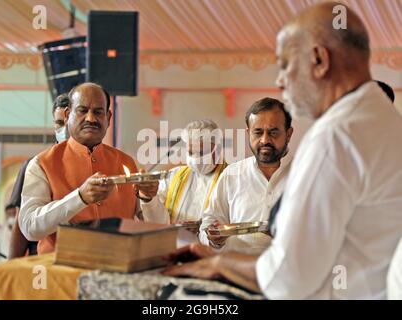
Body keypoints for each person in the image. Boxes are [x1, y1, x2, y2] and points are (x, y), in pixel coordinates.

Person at [164, 2, 402, 300]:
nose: (280, 80)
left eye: (285, 64)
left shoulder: (336, 137)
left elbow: (287, 280)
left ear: (319, 59)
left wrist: (218, 264)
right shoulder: (388, 122)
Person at [18, 82, 157, 254]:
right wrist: (79, 198)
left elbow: (156, 227)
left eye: (98, 112)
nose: (91, 118)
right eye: (82, 110)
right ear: (68, 115)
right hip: (61, 272)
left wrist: (148, 199)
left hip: (118, 268)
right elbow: (30, 228)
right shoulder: (42, 164)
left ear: (109, 117)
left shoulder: (128, 163)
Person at [199, 98, 293, 255]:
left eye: (273, 132)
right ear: (248, 133)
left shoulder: (303, 173)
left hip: (287, 272)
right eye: (258, 132)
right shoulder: (232, 174)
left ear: (288, 134)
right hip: (235, 271)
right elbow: (207, 226)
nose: (264, 140)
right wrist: (213, 239)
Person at [141, 119, 227, 245]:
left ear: (217, 149)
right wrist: (148, 198)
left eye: (202, 153)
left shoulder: (230, 178)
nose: (196, 159)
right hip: (173, 250)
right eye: (191, 152)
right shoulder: (174, 176)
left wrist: (202, 230)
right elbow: (157, 223)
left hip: (211, 256)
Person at [8, 93, 70, 259]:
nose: (65, 129)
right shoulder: (36, 165)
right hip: (41, 258)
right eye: (59, 123)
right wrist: (11, 268)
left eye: (69, 122)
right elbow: (20, 226)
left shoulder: (96, 163)